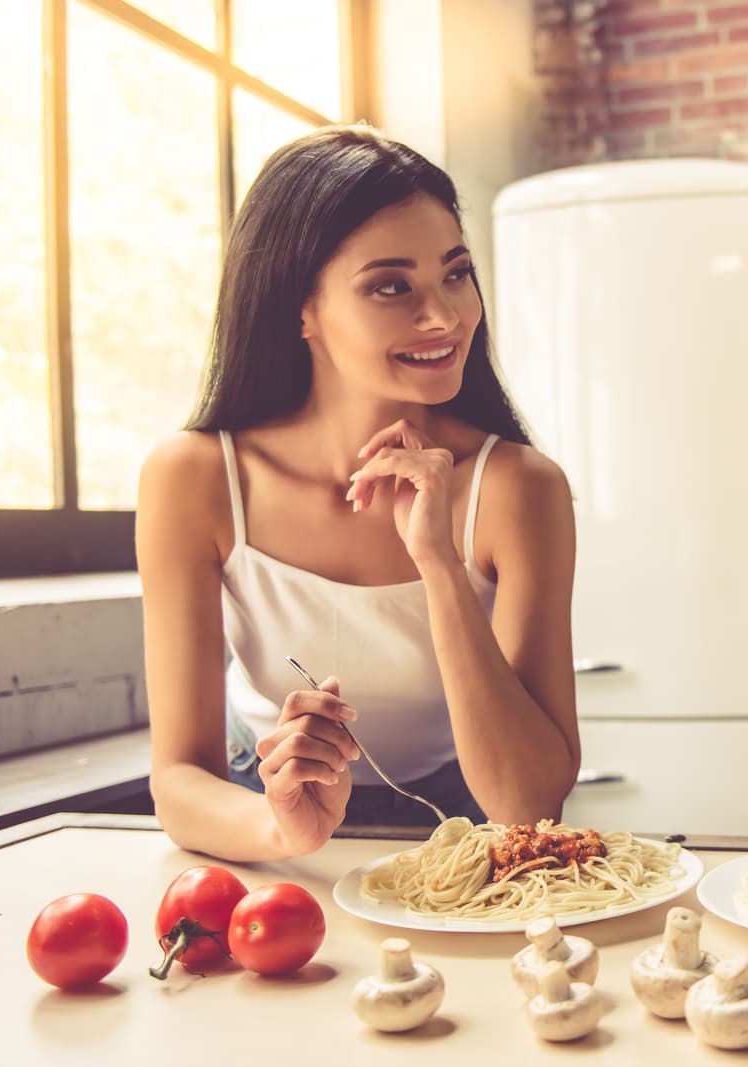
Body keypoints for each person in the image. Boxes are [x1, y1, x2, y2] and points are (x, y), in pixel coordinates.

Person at [137, 124, 579, 861]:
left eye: (456, 272)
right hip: (258, 811)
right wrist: (282, 825)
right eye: (391, 285)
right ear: (297, 309)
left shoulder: (519, 487)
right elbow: (179, 777)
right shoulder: (195, 480)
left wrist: (438, 561)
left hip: (470, 824)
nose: (444, 316)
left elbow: (530, 802)